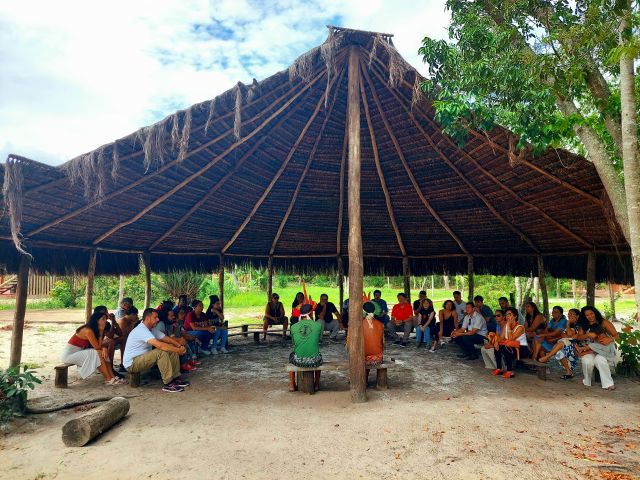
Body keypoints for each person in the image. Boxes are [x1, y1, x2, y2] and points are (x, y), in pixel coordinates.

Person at [123, 308, 190, 393]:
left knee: (170, 348)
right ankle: (168, 383)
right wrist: (178, 350)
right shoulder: (141, 330)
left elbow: (167, 339)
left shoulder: (151, 329)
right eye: (155, 317)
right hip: (132, 363)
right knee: (161, 352)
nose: (158, 319)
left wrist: (178, 346)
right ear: (147, 319)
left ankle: (175, 378)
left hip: (142, 358)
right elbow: (160, 345)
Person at [61, 311, 124, 385]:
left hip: (79, 352)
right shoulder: (88, 330)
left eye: (106, 319)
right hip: (69, 356)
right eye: (103, 319)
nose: (105, 321)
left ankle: (112, 377)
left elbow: (98, 345)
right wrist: (101, 334)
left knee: (102, 353)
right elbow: (97, 347)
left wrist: (104, 347)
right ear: (96, 320)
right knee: (98, 353)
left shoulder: (94, 329)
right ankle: (108, 378)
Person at [575, 306, 618, 391]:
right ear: (584, 316)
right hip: (591, 349)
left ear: (595, 313)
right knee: (587, 360)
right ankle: (587, 381)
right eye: (587, 315)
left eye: (591, 313)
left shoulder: (604, 322)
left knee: (599, 359)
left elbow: (616, 335)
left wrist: (609, 339)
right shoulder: (584, 324)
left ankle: (609, 384)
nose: (590, 316)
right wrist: (587, 335)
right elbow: (579, 338)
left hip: (605, 349)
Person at [288, 304, 323, 392]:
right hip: (314, 360)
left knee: (291, 356)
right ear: (311, 314)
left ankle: (292, 385)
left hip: (298, 361)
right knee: (319, 356)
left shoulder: (293, 327)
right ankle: (316, 384)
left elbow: (294, 343)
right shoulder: (318, 325)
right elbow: (319, 340)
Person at [538, 308, 581, 379]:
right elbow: (563, 335)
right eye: (569, 313)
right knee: (560, 351)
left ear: (578, 316)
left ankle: (547, 356)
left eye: (571, 314)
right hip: (567, 343)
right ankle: (568, 372)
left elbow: (571, 336)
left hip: (576, 346)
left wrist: (568, 325)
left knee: (562, 342)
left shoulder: (579, 326)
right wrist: (568, 334)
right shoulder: (569, 324)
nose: (569, 315)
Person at [491, 307, 529, 378]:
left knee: (506, 348)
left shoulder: (520, 327)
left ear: (515, 316)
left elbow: (511, 338)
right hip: (512, 347)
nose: (507, 316)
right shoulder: (506, 326)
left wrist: (508, 325)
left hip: (522, 349)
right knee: (497, 346)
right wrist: (496, 342)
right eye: (506, 315)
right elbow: (501, 337)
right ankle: (499, 368)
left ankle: (510, 371)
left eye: (509, 314)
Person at [361, 301, 384, 385]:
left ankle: (364, 379)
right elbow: (382, 343)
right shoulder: (380, 324)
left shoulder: (358, 325)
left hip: (363, 359)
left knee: (359, 355)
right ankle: (365, 378)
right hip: (378, 358)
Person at [114, 297, 139, 371]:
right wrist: (133, 324)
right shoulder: (122, 320)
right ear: (132, 315)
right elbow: (124, 335)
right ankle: (123, 364)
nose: (137, 317)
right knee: (125, 341)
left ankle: (127, 362)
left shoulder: (128, 320)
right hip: (115, 340)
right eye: (136, 315)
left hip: (120, 338)